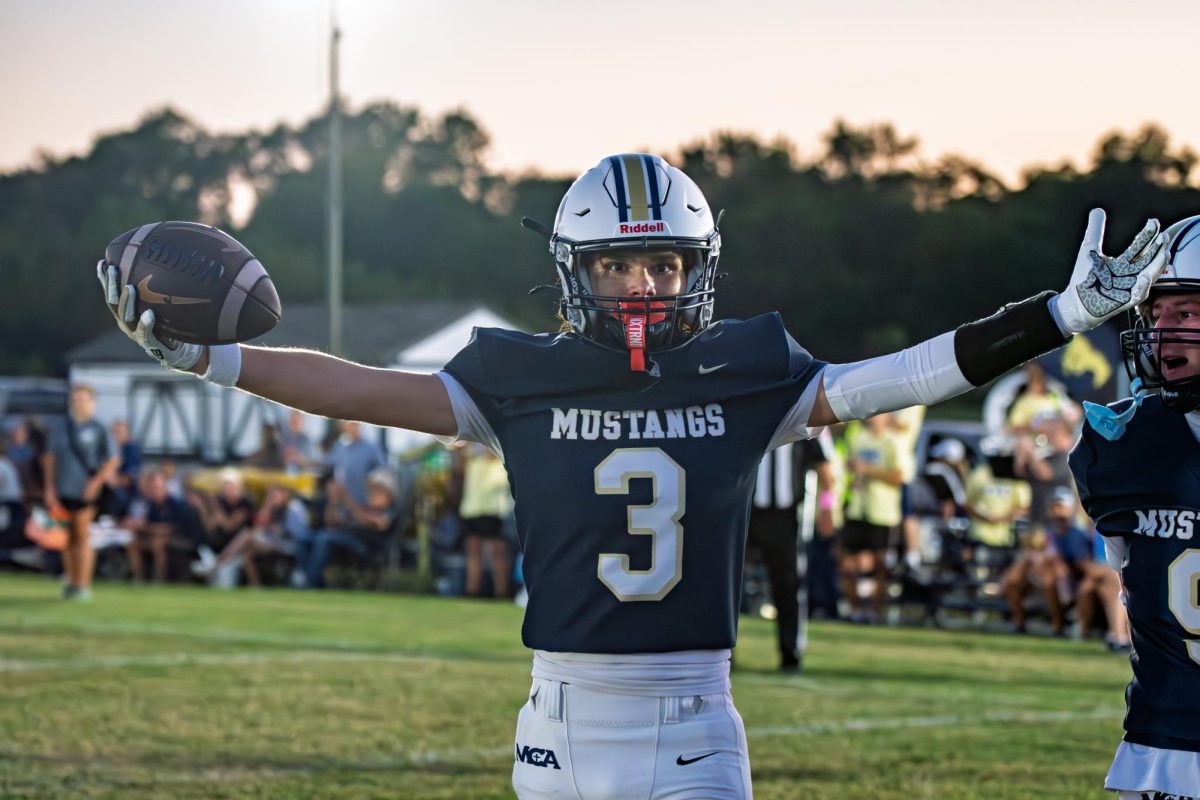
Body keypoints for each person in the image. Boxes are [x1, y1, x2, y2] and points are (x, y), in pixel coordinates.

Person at [98, 154, 1165, 799]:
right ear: (576, 271)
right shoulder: (517, 377)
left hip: (693, 723)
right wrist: (210, 358)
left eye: (662, 262)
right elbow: (359, 386)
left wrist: (1056, 316)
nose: (644, 285)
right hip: (556, 724)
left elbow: (896, 378)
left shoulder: (749, 370)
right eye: (618, 263)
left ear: (698, 268)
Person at [1071, 213, 1200, 799]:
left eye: (1188, 314)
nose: (1163, 333)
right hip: (1160, 747)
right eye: (1156, 315)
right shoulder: (1121, 446)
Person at [747, 432, 834, 671]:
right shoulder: (750, 415)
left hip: (786, 517)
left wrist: (827, 508)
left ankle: (791, 653)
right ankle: (722, 653)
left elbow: (825, 467)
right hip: (747, 513)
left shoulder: (801, 414)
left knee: (789, 585)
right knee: (728, 584)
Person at [42, 384, 119, 601]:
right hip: (62, 488)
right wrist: (49, 488)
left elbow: (112, 459)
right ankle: (71, 581)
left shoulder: (99, 428)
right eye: (76, 399)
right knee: (65, 538)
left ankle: (83, 584)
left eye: (84, 399)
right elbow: (49, 458)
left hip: (85, 490)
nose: (79, 403)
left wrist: (96, 482)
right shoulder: (61, 427)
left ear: (93, 402)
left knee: (82, 536)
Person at [839, 412, 906, 623]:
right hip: (858, 508)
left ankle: (876, 612)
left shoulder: (893, 442)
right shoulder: (859, 438)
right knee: (846, 562)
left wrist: (868, 470)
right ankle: (856, 608)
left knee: (880, 564)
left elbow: (898, 477)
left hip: (882, 512)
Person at [299, 468, 397, 589]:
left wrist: (347, 499)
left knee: (324, 538)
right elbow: (330, 523)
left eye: (374, 489)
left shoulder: (389, 511)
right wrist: (333, 502)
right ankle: (309, 579)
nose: (370, 491)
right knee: (304, 538)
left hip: (367, 546)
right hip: (345, 538)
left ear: (386, 492)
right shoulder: (365, 507)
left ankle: (310, 584)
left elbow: (370, 522)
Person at [456, 443, 515, 598]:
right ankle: (472, 591)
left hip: (494, 513)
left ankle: (501, 593)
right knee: (474, 555)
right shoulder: (473, 463)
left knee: (498, 555)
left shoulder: (501, 466)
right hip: (473, 512)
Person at [124, 466, 198, 583]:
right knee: (134, 543)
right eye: (152, 488)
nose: (155, 491)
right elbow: (149, 524)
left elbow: (172, 527)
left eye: (157, 488)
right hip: (155, 537)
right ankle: (138, 578)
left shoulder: (176, 503)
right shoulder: (152, 504)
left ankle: (159, 579)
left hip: (181, 538)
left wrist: (152, 528)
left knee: (157, 543)